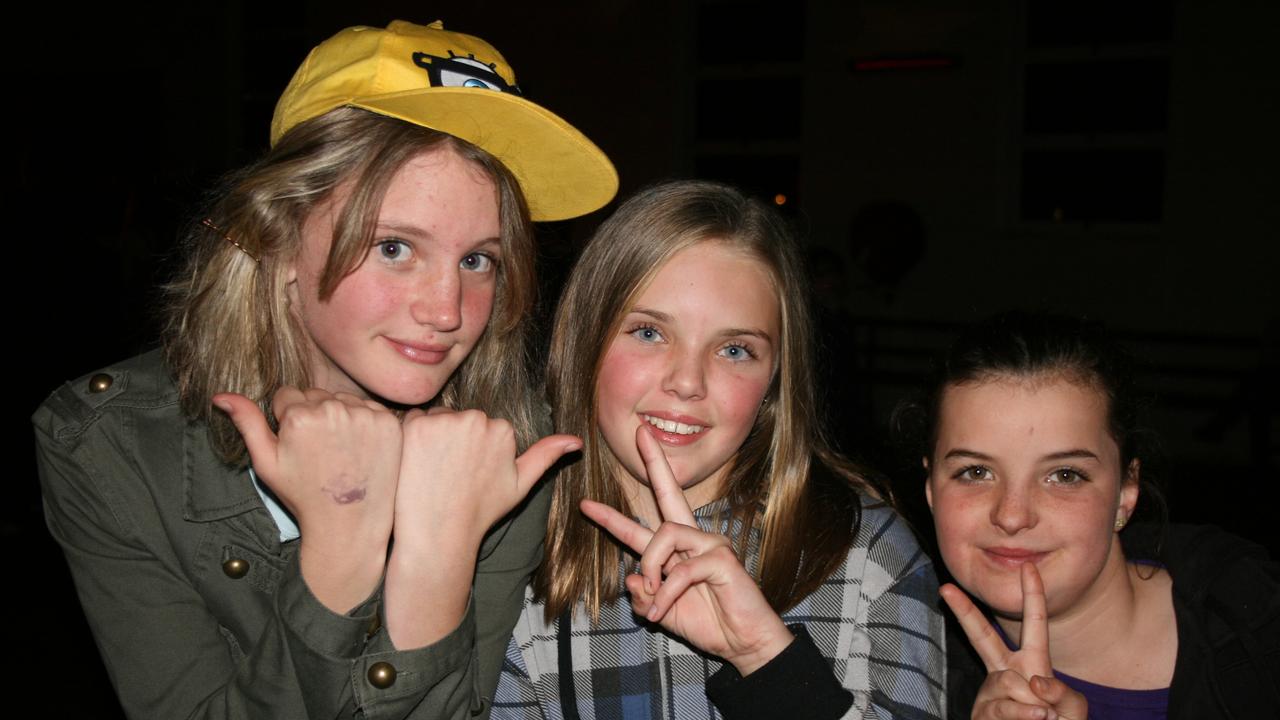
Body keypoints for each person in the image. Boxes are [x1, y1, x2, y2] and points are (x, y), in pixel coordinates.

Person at [34, 20, 617, 720]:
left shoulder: (508, 452)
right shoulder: (110, 442)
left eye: (478, 260)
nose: (448, 309)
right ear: (274, 237)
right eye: (396, 247)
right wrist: (340, 550)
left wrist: (437, 551)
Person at [492, 180, 946, 720]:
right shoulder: (513, 554)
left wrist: (764, 658)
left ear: (775, 378)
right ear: (583, 341)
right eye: (648, 332)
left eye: (735, 349)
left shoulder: (869, 553)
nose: (688, 382)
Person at [899, 312, 1280, 719]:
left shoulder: (1259, 627)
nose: (1012, 516)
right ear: (930, 489)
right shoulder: (903, 679)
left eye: (1064, 475)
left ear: (1125, 492)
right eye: (975, 472)